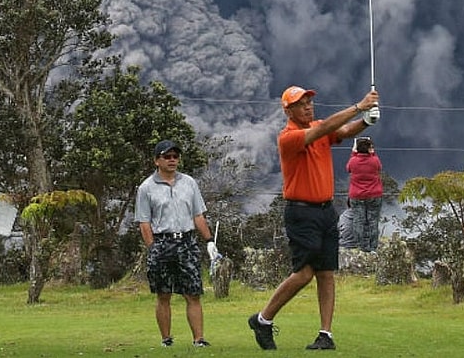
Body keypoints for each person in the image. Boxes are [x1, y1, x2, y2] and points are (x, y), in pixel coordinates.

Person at [248, 85, 380, 350]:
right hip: (301, 211)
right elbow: (322, 130)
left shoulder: (319, 126)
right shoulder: (289, 137)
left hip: (325, 210)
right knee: (304, 273)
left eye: (309, 102)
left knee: (326, 273)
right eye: (301, 103)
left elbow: (341, 131)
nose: (308, 106)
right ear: (288, 110)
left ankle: (325, 335)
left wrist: (365, 122)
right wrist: (359, 106)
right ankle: (263, 319)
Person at [135, 140, 220, 348]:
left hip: (187, 242)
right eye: (167, 157)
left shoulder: (189, 182)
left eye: (175, 156)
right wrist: (153, 248)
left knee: (193, 293)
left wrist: (209, 241)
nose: (172, 160)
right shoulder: (146, 188)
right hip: (162, 242)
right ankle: (166, 339)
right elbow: (144, 222)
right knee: (164, 293)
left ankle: (198, 339)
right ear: (157, 160)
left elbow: (198, 215)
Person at [346, 136, 383, 252]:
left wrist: (353, 153)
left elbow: (348, 168)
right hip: (374, 195)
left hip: (357, 196)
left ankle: (360, 247)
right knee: (373, 221)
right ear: (368, 149)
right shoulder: (374, 160)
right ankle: (373, 248)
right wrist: (372, 154)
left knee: (358, 221)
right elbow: (379, 167)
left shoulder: (353, 161)